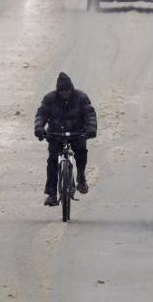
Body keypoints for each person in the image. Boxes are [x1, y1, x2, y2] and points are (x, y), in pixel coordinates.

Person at [34, 72, 97, 206]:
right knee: (52, 162)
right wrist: (39, 128)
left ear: (71, 88)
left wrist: (91, 128)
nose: (65, 93)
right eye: (62, 91)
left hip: (77, 133)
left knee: (81, 153)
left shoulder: (81, 97)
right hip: (55, 135)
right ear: (58, 91)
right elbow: (41, 114)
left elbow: (89, 114)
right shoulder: (49, 98)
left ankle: (81, 178)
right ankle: (52, 194)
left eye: (67, 90)